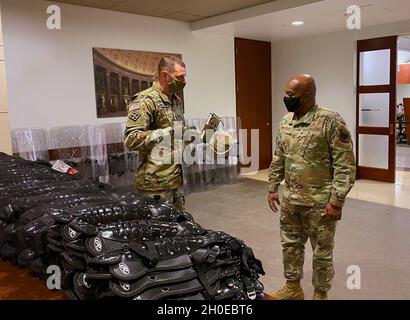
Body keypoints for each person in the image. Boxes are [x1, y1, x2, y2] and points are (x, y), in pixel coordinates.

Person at [266, 74, 356, 300]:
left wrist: (336, 201)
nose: (286, 98)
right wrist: (272, 186)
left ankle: (320, 294)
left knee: (322, 254)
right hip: (291, 201)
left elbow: (345, 165)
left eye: (290, 95)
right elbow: (279, 157)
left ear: (306, 96)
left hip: (320, 204)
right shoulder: (286, 122)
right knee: (290, 246)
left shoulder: (331, 121)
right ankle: (293, 287)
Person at [124, 56, 187, 211]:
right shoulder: (145, 100)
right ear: (165, 75)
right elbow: (131, 139)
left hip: (174, 180)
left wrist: (192, 135)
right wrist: (166, 132)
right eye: (180, 77)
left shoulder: (175, 99)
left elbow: (177, 135)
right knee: (157, 231)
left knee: (179, 229)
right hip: (153, 185)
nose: (184, 81)